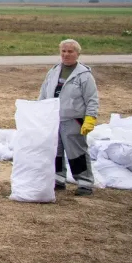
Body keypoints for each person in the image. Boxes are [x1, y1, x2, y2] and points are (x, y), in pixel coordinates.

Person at [39, 39, 99, 196]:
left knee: (76, 152)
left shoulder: (84, 75)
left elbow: (92, 99)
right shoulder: (53, 72)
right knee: (55, 151)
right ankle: (58, 179)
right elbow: (44, 94)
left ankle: (84, 183)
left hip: (73, 120)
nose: (66, 54)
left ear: (77, 54)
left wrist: (90, 118)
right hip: (54, 119)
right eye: (63, 51)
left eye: (70, 51)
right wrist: (40, 112)